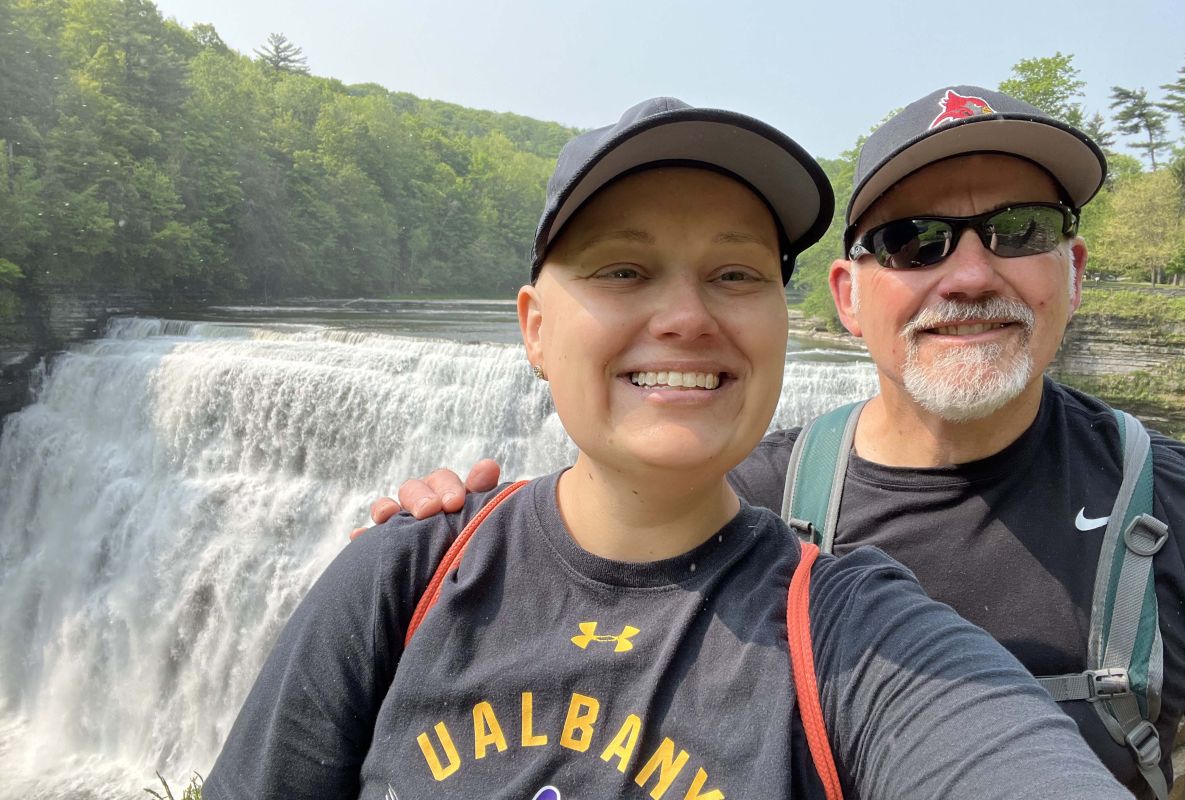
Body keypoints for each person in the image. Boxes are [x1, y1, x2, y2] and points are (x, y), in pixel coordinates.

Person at [206, 97, 1131, 799]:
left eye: (735, 273)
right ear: (534, 327)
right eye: (623, 270)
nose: (686, 318)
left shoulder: (853, 634)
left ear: (784, 316)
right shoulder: (405, 575)